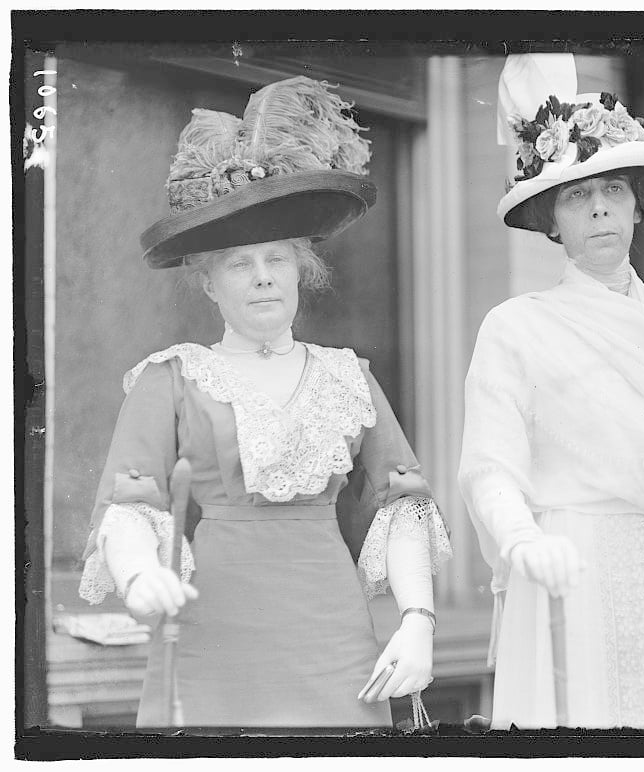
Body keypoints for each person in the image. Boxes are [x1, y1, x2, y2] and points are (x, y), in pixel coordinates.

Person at [78, 76, 452, 728]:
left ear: (302, 269)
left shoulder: (348, 378)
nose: (262, 277)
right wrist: (140, 576)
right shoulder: (170, 379)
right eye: (239, 263)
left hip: (335, 646)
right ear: (208, 283)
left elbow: (404, 501)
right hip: (213, 641)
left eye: (277, 258)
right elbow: (126, 506)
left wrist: (418, 620)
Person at [459, 55, 644, 729]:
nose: (600, 208)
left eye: (612, 189)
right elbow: (490, 467)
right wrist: (522, 539)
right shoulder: (516, 326)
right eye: (578, 196)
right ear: (554, 217)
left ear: (639, 204)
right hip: (570, 564)